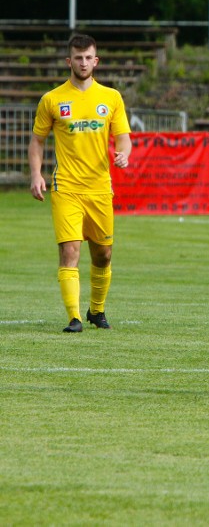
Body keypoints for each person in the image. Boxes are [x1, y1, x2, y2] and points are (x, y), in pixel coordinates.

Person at [29, 34, 132, 333]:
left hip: (100, 187)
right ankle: (73, 317)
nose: (83, 62)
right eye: (78, 57)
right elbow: (37, 141)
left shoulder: (111, 97)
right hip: (67, 187)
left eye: (88, 57)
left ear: (96, 61)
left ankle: (96, 311)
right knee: (70, 250)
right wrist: (36, 174)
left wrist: (123, 154)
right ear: (69, 61)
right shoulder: (52, 99)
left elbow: (123, 137)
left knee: (104, 254)